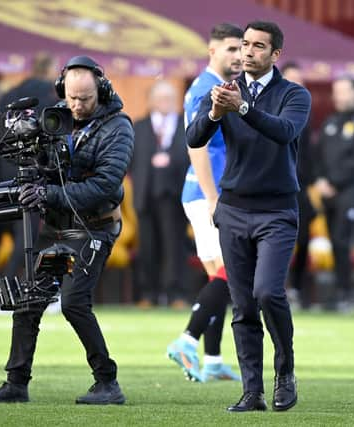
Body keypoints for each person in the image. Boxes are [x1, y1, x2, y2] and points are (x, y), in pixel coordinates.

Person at [0, 55, 134, 404]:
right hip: (60, 228)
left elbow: (104, 186)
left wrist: (48, 192)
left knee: (74, 301)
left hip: (92, 229)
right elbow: (48, 169)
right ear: (62, 89)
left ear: (102, 91)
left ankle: (108, 382)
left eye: (85, 99)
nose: (76, 106)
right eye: (71, 98)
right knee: (29, 300)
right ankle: (16, 383)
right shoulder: (56, 118)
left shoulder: (119, 127)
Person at [187, 20, 311, 412]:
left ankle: (285, 372)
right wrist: (214, 112)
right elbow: (193, 139)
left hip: (276, 210)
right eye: (245, 45)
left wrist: (240, 107)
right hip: (234, 210)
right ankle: (252, 391)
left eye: (259, 46)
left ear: (275, 55)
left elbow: (284, 131)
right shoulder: (221, 92)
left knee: (267, 293)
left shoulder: (294, 94)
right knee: (242, 305)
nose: (248, 52)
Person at [166, 23, 243, 383]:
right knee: (232, 275)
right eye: (231, 48)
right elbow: (195, 144)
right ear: (212, 51)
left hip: (206, 191)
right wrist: (213, 197)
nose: (238, 55)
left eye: (240, 48)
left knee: (220, 276)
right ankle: (186, 340)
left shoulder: (213, 87)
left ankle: (211, 359)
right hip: (208, 192)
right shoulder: (205, 89)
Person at [0, 52, 59, 315]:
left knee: (25, 235)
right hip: (33, 172)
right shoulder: (49, 97)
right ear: (50, 70)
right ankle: (1, 297)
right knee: (28, 235)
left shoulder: (10, 95)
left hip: (5, 173)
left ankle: (41, 292)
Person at [315, 75, 354, 310]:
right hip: (327, 192)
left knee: (343, 239)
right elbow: (318, 153)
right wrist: (321, 180)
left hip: (351, 192)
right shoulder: (330, 122)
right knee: (333, 241)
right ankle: (337, 291)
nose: (338, 97)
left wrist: (333, 182)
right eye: (336, 92)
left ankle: (346, 292)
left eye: (343, 91)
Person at [129, 80, 189, 307]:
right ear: (152, 101)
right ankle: (148, 293)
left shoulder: (186, 124)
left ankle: (176, 294)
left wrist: (171, 160)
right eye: (162, 98)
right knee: (147, 246)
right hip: (145, 194)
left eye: (171, 99)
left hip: (175, 194)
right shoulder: (139, 126)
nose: (167, 103)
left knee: (175, 246)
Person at [280, 62, 316, 309]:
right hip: (275, 185)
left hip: (300, 187)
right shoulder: (270, 109)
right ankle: (274, 289)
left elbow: (310, 153)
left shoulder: (305, 113)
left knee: (302, 237)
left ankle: (297, 289)